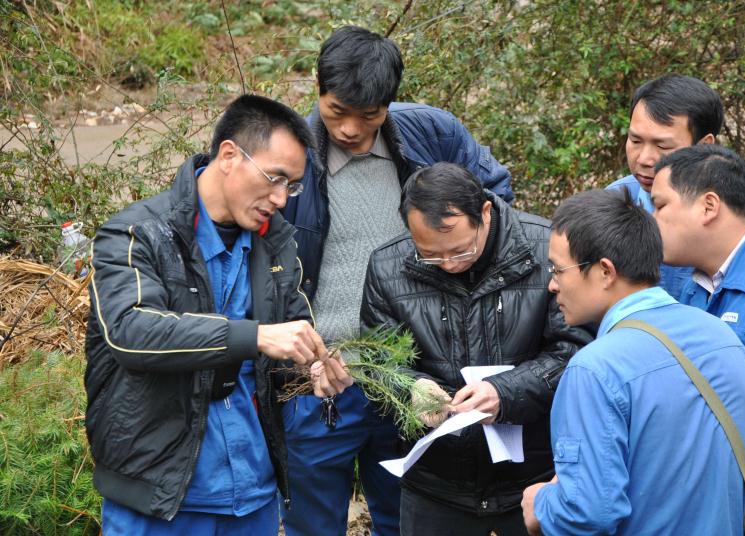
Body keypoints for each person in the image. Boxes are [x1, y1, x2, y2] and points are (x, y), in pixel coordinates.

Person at [279, 25, 514, 536]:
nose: (350, 129)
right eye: (337, 111)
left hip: (413, 375)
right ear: (318, 87)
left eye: (369, 115)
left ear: (389, 103)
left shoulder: (431, 135)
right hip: (320, 379)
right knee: (311, 522)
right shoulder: (289, 156)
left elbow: (494, 200)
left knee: (407, 518)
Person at [84, 95, 351, 535]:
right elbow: (131, 331)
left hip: (252, 492)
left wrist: (315, 370)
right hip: (158, 497)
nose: (280, 198)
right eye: (274, 178)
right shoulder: (136, 233)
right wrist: (255, 335)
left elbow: (291, 340)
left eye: (291, 186)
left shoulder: (277, 244)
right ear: (229, 156)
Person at [360, 162, 591, 535]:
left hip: (537, 474)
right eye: (431, 255)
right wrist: (411, 389)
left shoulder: (545, 250)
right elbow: (377, 362)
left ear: (485, 212)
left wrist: (505, 392)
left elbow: (576, 350)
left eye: (460, 250)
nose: (448, 264)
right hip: (436, 482)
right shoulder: (388, 267)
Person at [522, 188, 745, 535]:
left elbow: (587, 513)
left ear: (605, 271)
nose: (552, 285)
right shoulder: (722, 337)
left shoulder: (595, 369)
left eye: (558, 270)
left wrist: (540, 505)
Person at [651, 144, 745, 535]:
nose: (652, 220)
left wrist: (683, 465)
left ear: (708, 206)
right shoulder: (696, 284)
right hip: (724, 503)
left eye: (660, 205)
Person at [606, 74, 745, 298]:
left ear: (704, 146)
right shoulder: (617, 200)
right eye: (635, 141)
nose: (644, 159)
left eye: (662, 146)